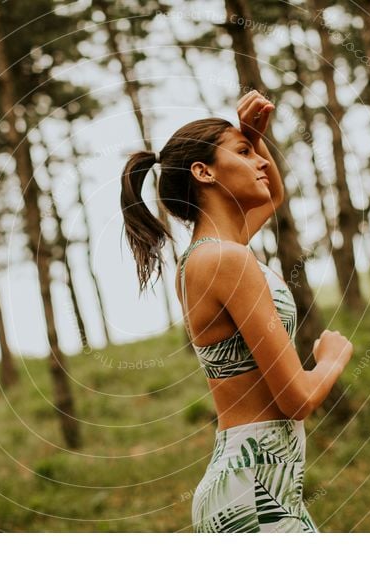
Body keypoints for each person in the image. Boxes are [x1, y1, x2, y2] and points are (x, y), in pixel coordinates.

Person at [120, 90, 354, 532]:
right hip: (253, 489)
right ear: (203, 172)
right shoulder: (226, 260)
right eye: (243, 153)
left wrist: (253, 135)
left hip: (261, 483)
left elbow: (273, 196)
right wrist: (332, 359)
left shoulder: (213, 255)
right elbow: (297, 399)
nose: (262, 161)